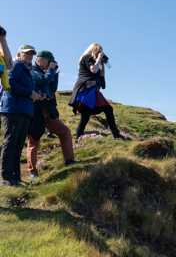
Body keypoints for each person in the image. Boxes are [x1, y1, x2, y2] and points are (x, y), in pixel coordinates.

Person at [27, 50, 75, 178]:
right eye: (49, 61)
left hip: (48, 112)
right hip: (36, 111)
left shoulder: (46, 71)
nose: (50, 64)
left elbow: (52, 88)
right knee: (34, 141)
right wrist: (51, 71)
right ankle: (32, 171)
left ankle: (70, 161)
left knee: (64, 131)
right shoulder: (32, 70)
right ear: (41, 59)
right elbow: (42, 81)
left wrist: (55, 73)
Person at [0, 45, 41, 186]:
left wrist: (35, 95)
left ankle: (15, 177)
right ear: (19, 54)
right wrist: (30, 94)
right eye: (26, 53)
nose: (30, 56)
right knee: (11, 142)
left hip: (24, 110)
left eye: (31, 54)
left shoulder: (26, 70)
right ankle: (6, 177)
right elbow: (9, 84)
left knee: (17, 145)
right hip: (13, 109)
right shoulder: (16, 66)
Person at [69, 43, 123, 139]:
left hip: (92, 92)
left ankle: (116, 134)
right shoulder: (87, 58)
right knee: (88, 114)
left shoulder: (97, 63)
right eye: (98, 51)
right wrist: (98, 59)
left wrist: (102, 65)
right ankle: (79, 136)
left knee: (104, 110)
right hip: (85, 92)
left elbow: (102, 81)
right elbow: (93, 70)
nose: (100, 54)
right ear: (94, 50)